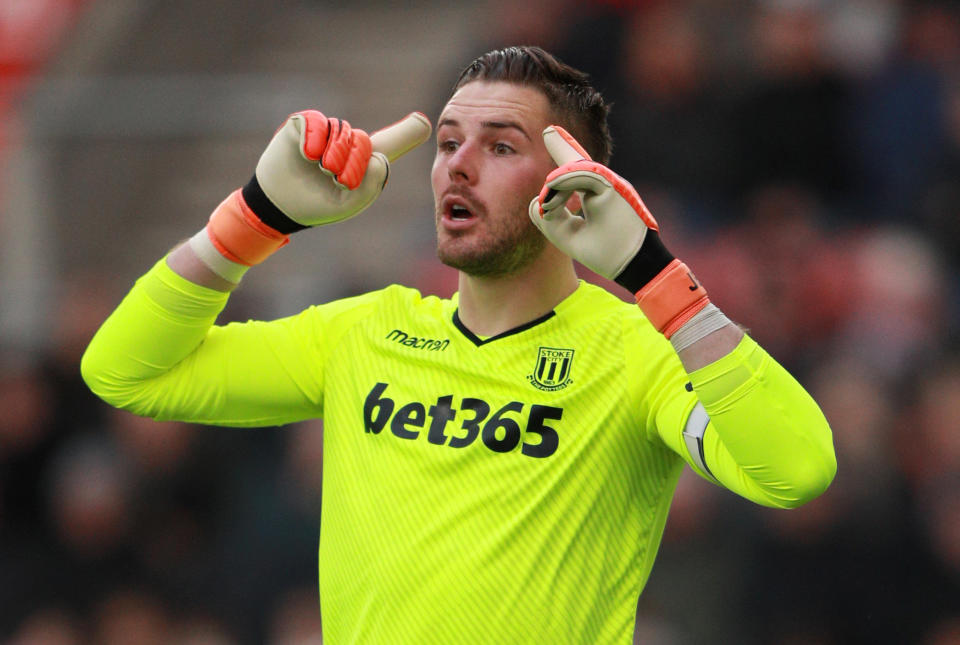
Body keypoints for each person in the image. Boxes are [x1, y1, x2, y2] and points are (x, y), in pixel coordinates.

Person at [81, 46, 837, 643]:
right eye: (448, 142)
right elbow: (125, 371)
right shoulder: (363, 330)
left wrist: (654, 274)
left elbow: (797, 469)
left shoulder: (636, 353)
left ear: (574, 183)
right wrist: (254, 215)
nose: (458, 165)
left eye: (500, 147)